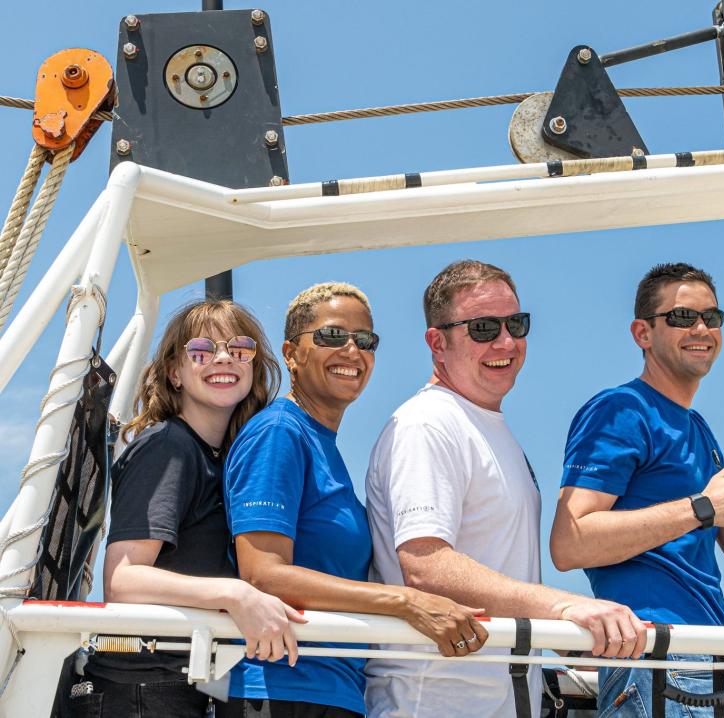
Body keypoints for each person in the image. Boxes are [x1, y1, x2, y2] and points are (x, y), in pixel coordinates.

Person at [364, 260, 647, 718]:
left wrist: (558, 635)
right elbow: (426, 564)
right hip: (433, 705)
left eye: (516, 324)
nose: (506, 342)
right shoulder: (427, 424)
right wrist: (563, 606)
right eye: (482, 328)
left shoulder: (489, 428)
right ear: (437, 342)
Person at [551, 262, 724, 718]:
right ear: (643, 333)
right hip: (658, 658)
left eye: (711, 317)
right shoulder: (620, 409)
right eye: (682, 317)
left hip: (712, 661)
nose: (701, 328)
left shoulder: (697, 428)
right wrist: (702, 507)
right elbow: (570, 542)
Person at [222, 282, 488, 718]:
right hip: (284, 689)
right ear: (292, 353)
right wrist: (406, 602)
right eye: (331, 336)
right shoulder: (279, 433)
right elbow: (262, 575)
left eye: (365, 341)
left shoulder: (323, 445)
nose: (351, 351)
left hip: (334, 692)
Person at [72, 300, 306, 718]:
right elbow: (123, 581)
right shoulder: (168, 447)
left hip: (178, 684)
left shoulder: (218, 457)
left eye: (239, 349)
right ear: (174, 373)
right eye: (201, 350)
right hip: (139, 690)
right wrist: (235, 593)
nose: (222, 358)